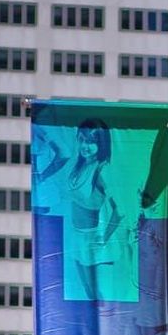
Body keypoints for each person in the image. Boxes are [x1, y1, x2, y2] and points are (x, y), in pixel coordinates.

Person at [33, 118, 137, 302]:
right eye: (82, 139)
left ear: (101, 143)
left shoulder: (102, 170)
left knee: (103, 300)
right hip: (77, 237)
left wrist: (104, 237)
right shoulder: (79, 167)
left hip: (96, 242)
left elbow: (120, 210)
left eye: (91, 141)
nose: (85, 146)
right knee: (90, 297)